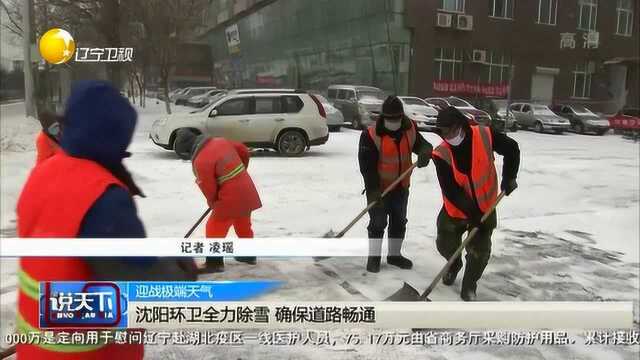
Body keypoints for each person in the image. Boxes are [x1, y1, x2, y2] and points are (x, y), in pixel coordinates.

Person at [16, 81, 196, 359]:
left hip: (36, 347)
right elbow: (136, 284)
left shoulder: (44, 172)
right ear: (117, 137)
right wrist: (179, 273)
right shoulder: (103, 197)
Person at [431, 106, 520, 301]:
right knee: (445, 244)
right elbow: (451, 191)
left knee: (479, 252)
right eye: (444, 132)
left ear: (461, 125)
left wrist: (509, 177)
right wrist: (472, 214)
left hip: (485, 206)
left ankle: (469, 284)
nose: (448, 136)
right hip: (456, 209)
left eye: (451, 130)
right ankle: (453, 265)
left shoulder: (484, 135)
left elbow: (512, 149)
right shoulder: (441, 154)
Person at [358, 95, 433, 273]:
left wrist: (425, 151)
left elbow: (422, 145)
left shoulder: (410, 129)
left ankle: (394, 255)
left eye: (397, 118)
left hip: (401, 187)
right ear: (383, 117)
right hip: (379, 188)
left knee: (399, 221)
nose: (394, 121)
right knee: (377, 223)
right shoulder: (371, 134)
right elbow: (366, 167)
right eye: (390, 118)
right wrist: (373, 189)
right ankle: (374, 258)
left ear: (401, 116)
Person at [189, 134, 262, 273]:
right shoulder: (221, 141)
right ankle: (248, 255)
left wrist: (213, 201)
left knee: (214, 227)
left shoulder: (200, 160)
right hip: (246, 187)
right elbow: (243, 150)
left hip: (230, 196)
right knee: (242, 222)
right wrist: (241, 170)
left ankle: (214, 263)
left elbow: (208, 186)